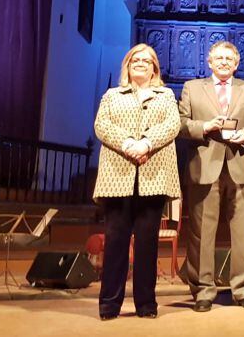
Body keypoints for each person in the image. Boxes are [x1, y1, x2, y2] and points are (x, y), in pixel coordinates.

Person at [93, 43, 181, 320]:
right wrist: (128, 143)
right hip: (117, 176)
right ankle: (109, 304)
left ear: (155, 67)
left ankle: (146, 304)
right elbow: (102, 125)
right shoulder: (111, 95)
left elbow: (172, 125)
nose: (141, 63)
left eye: (147, 60)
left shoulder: (165, 95)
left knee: (147, 244)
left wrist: (146, 144)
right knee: (116, 241)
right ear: (127, 65)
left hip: (153, 175)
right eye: (135, 60)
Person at [178, 41, 244, 312]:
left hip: (239, 164)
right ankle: (203, 290)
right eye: (219, 58)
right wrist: (205, 126)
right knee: (201, 233)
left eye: (229, 58)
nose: (224, 62)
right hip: (204, 166)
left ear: (237, 63)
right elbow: (180, 123)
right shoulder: (192, 88)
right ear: (209, 62)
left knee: (243, 231)